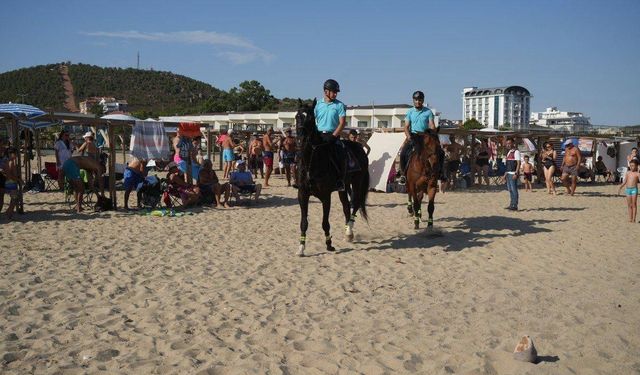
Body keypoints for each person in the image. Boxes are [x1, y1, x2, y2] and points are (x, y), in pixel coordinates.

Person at [315, 79, 347, 191]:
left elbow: (342, 123)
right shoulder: (318, 104)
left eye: (336, 92)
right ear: (326, 91)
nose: (335, 94)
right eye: (333, 91)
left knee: (340, 153)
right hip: (319, 136)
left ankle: (340, 181)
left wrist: (333, 136)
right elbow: (313, 121)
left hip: (333, 136)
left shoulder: (340, 105)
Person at [399, 91, 436, 178]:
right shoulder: (410, 112)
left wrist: (432, 132)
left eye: (420, 100)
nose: (417, 102)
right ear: (413, 100)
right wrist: (409, 137)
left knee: (439, 152)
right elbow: (406, 127)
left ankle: (441, 174)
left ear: (423, 100)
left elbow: (431, 125)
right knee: (403, 153)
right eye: (416, 100)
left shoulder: (428, 112)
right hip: (414, 136)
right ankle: (403, 174)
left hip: (425, 137)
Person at [2, 147, 22, 221]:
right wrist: (19, 180)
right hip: (11, 183)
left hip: (9, 182)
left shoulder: (7, 161)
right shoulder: (11, 162)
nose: (16, 155)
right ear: (11, 154)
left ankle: (9, 213)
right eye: (15, 153)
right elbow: (10, 175)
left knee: (14, 199)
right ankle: (8, 213)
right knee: (14, 199)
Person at [502, 138, 521, 211]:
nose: (508, 145)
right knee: (510, 189)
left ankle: (515, 205)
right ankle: (511, 204)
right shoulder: (509, 152)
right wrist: (504, 175)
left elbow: (518, 163)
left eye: (509, 143)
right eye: (507, 143)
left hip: (513, 173)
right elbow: (508, 165)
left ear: (513, 143)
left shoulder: (516, 152)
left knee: (514, 189)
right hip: (508, 173)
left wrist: (516, 173)